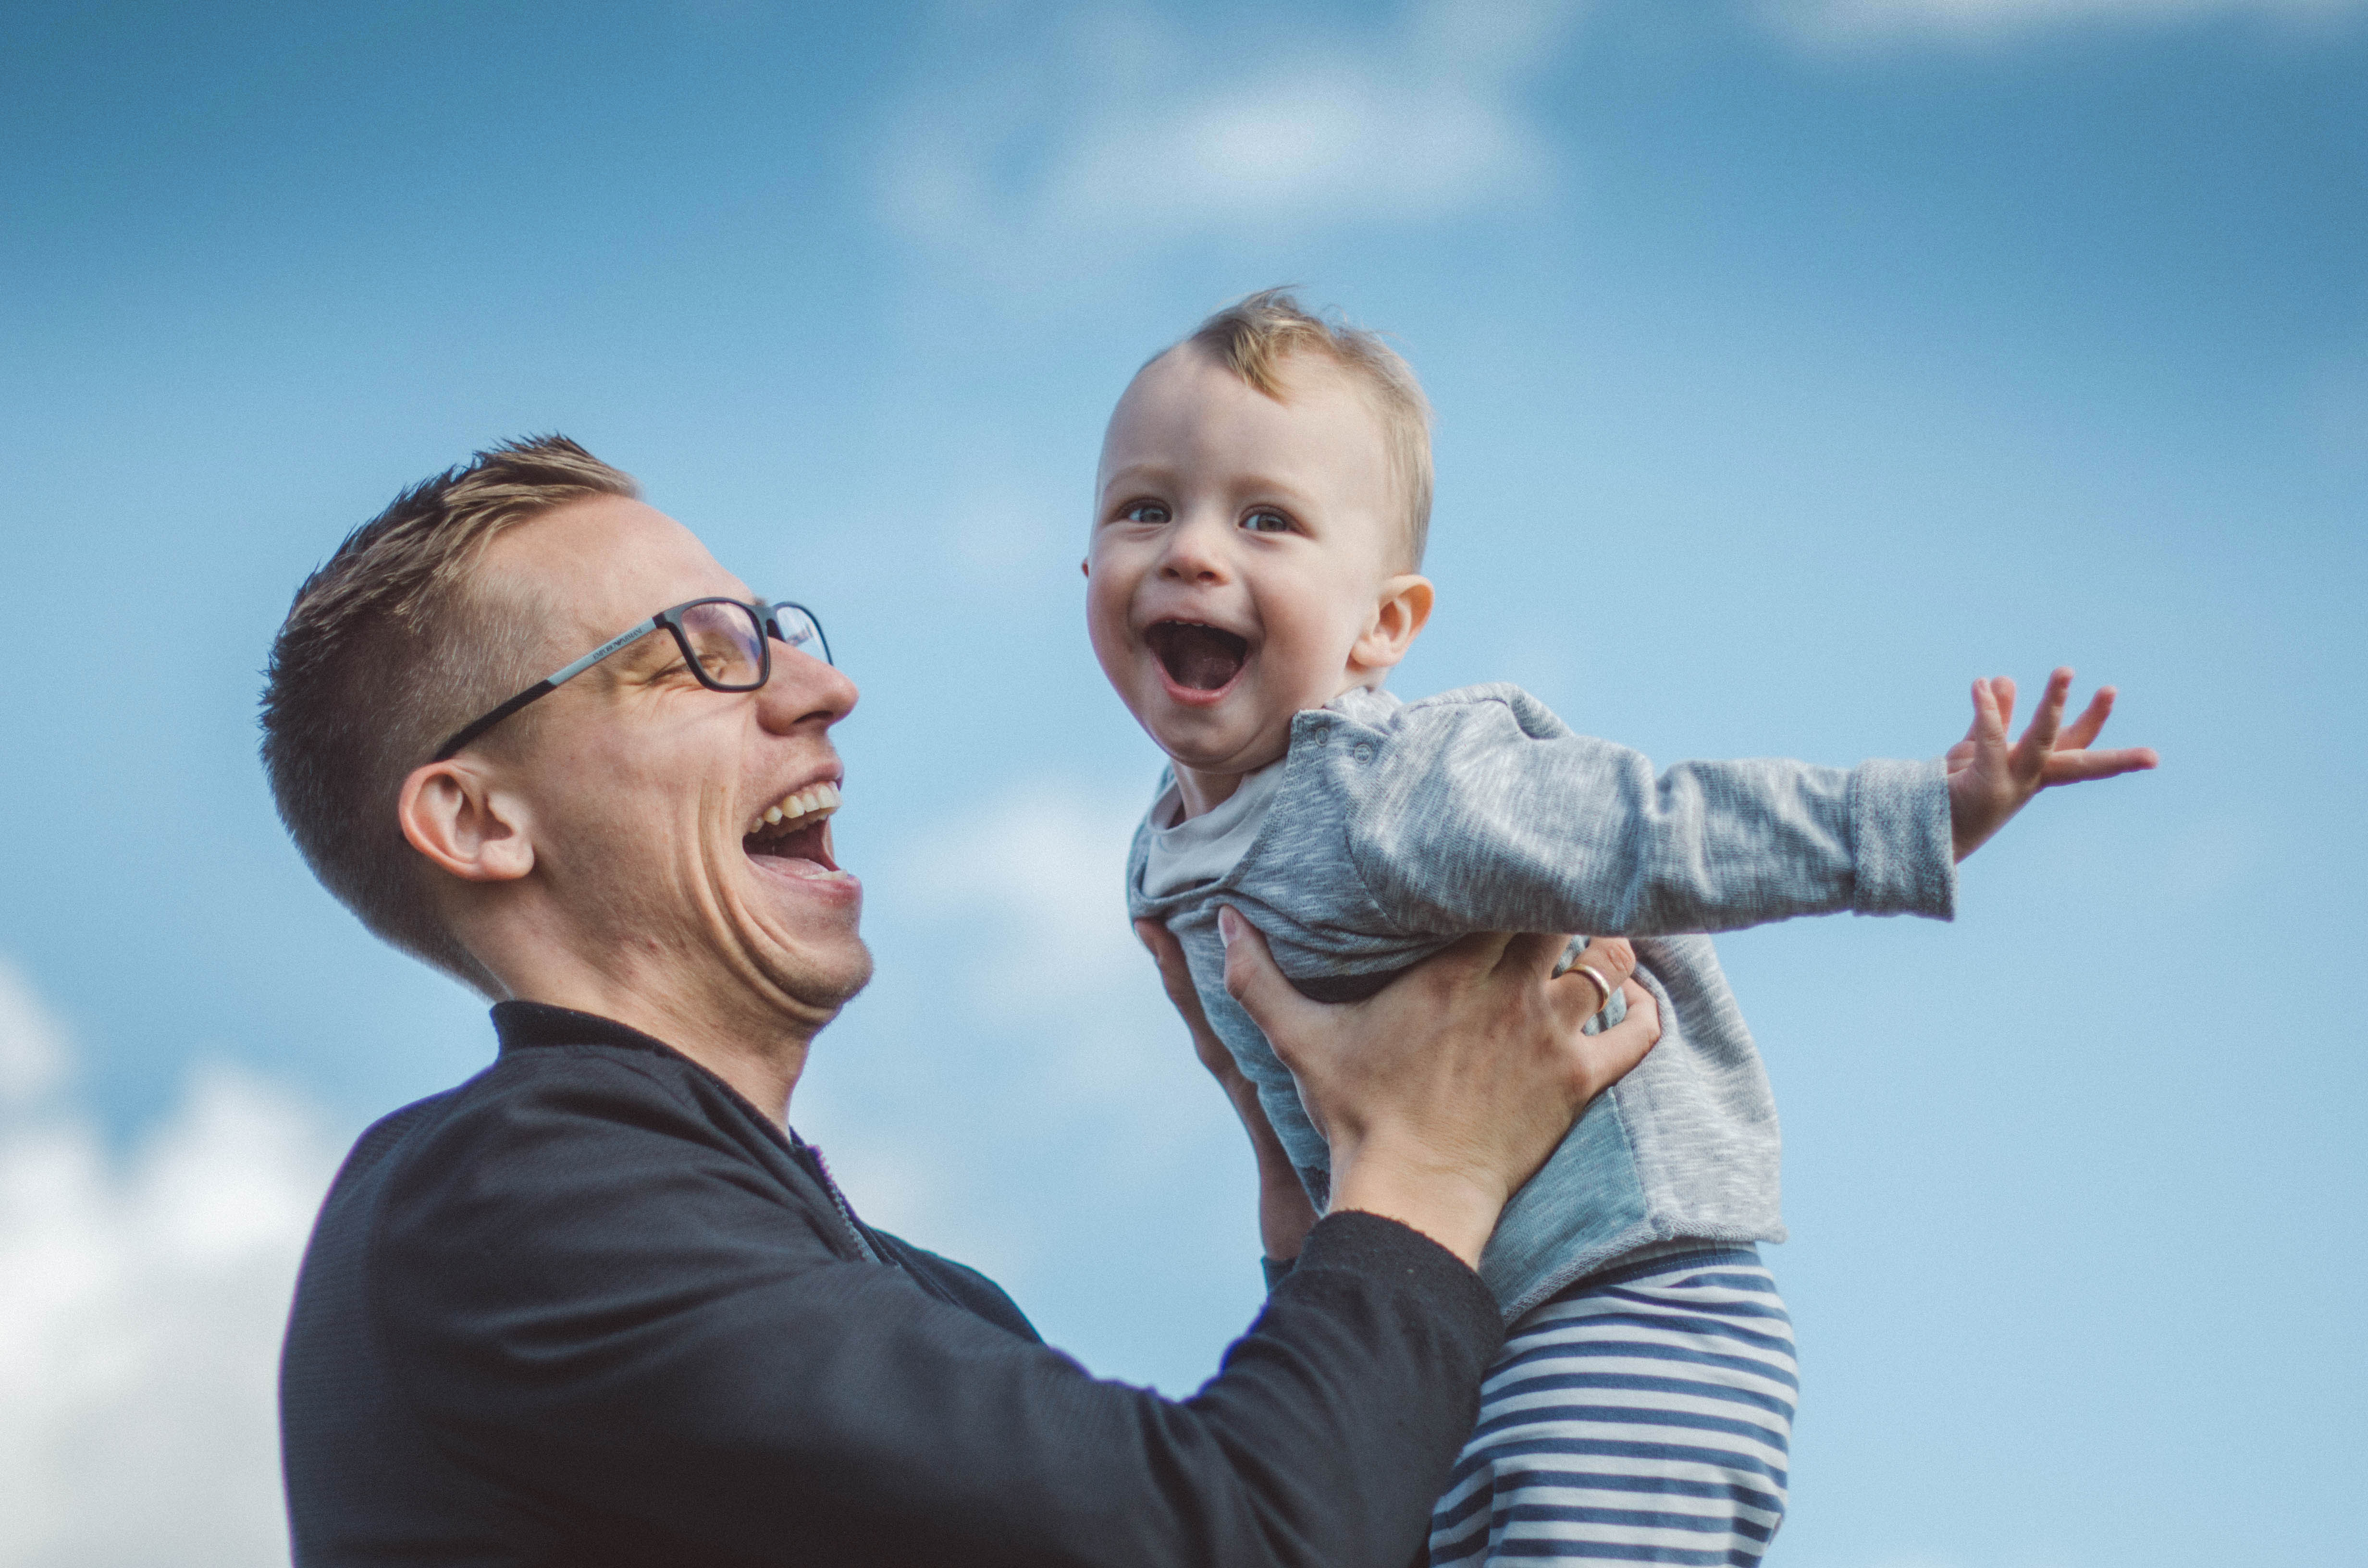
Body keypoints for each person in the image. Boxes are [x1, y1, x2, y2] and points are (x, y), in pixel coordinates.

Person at [261, 435, 1666, 1568]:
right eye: (698, 651)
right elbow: (1229, 1538)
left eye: (781, 631)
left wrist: (1310, 1197)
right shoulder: (504, 1198)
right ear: (479, 817)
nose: (825, 686)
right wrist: (1423, 1171)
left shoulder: (925, 1298)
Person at [1084, 291, 2159, 1566]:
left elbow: (1649, 830)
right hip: (1451, 1341)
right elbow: (1300, 1133)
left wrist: (1927, 813)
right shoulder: (1165, 855)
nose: (1193, 552)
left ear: (1383, 626)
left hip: (1621, 1305)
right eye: (1145, 508)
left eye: (1267, 520)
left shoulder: (1401, 781)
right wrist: (1309, 1316)